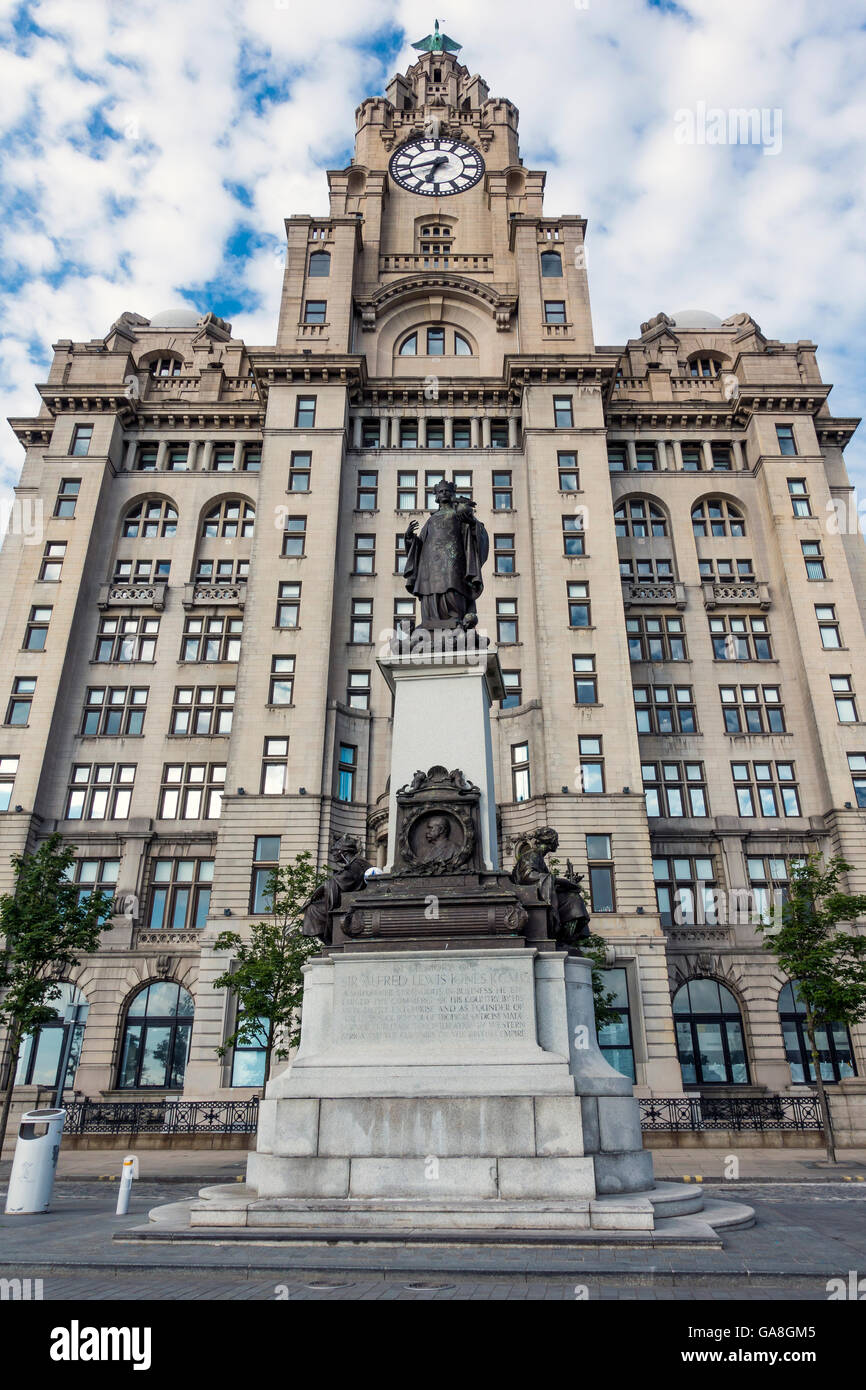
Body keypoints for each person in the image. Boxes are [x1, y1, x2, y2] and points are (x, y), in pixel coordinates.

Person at [403, 479, 489, 629]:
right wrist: (410, 538)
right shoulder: (431, 520)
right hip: (429, 563)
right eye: (441, 491)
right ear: (436, 496)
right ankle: (430, 621)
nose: (444, 494)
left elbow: (478, 533)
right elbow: (420, 544)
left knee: (451, 586)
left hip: (453, 560)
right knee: (430, 591)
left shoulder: (458, 513)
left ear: (452, 493)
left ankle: (454, 618)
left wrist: (472, 523)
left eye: (447, 491)